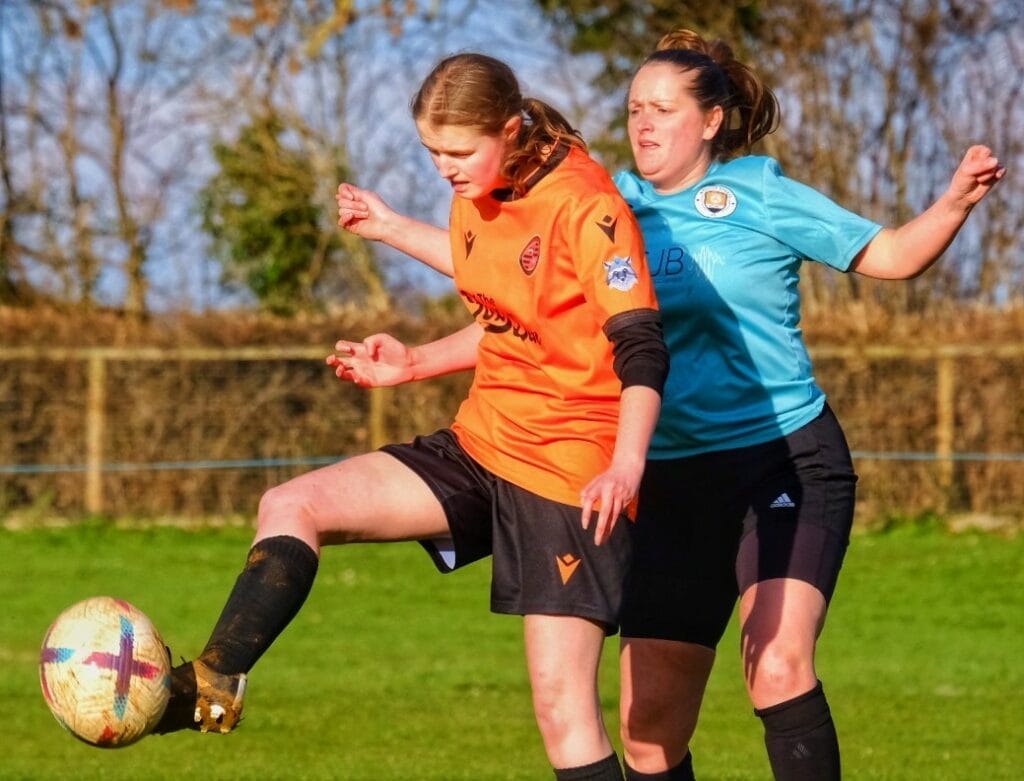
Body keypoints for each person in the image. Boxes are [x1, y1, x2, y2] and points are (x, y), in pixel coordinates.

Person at [336, 31, 1004, 781]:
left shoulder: (761, 194)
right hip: (665, 483)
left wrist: (952, 203)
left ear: (711, 121)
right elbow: (517, 298)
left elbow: (892, 255)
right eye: (632, 110)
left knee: (777, 663)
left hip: (781, 459)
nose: (643, 124)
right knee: (648, 733)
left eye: (662, 109)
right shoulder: (606, 203)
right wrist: (397, 256)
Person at [156, 52, 669, 781]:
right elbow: (503, 301)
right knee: (291, 502)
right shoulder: (478, 190)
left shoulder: (589, 205)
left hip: (570, 472)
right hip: (482, 444)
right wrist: (412, 348)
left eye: (459, 151)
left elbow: (643, 347)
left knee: (564, 714)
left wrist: (628, 461)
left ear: (512, 129)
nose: (445, 168)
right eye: (431, 151)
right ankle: (217, 678)